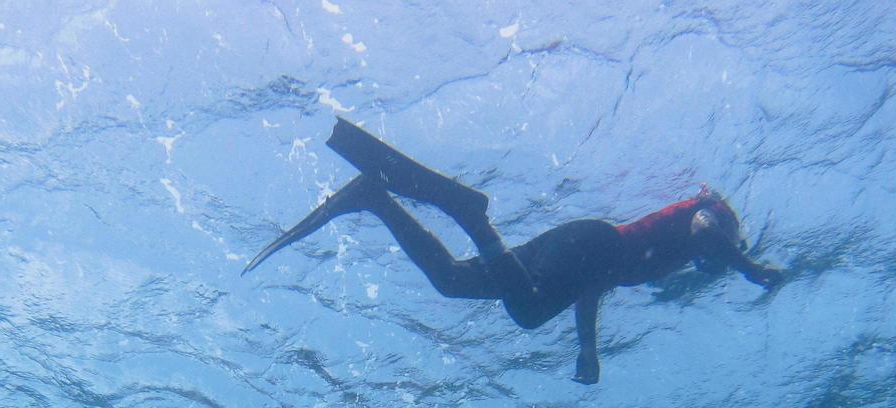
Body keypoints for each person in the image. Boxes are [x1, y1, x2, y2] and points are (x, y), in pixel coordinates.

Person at [245, 118, 784, 384]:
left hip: (583, 255)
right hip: (589, 242)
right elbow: (706, 231)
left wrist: (588, 348)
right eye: (725, 255)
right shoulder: (711, 218)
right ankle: (470, 214)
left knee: (453, 281)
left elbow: (595, 284)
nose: (714, 264)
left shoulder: (671, 253)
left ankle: (374, 198)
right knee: (525, 312)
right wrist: (750, 266)